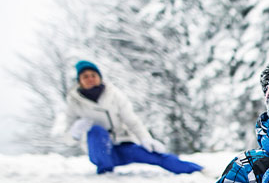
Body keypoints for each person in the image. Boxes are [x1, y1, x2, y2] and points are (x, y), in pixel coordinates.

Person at [61, 60, 203, 175]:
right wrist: (75, 133)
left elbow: (132, 121)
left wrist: (145, 139)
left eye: (93, 75)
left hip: (124, 146)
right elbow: (67, 138)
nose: (90, 78)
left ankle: (197, 170)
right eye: (85, 76)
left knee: (155, 155)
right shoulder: (74, 102)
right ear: (79, 81)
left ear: (99, 77)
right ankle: (105, 172)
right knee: (96, 131)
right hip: (101, 153)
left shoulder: (114, 95)